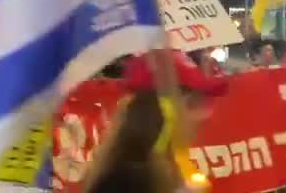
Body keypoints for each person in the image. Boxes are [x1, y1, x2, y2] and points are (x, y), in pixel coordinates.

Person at [82, 50, 227, 193]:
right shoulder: (127, 181)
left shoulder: (165, 171)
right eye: (193, 103)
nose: (204, 115)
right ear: (162, 111)